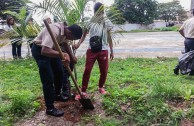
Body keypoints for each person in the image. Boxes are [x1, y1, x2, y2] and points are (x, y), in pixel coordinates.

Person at [32, 22, 82, 117]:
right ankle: (50, 108)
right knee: (48, 79)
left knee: (59, 72)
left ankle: (57, 95)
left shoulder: (66, 32)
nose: (71, 40)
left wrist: (71, 56)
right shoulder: (54, 30)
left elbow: (65, 44)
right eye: (72, 38)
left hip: (53, 49)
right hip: (40, 51)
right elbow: (44, 50)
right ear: (69, 32)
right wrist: (63, 54)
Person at [73, 2, 114, 99]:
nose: (99, 14)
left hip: (103, 50)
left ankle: (100, 87)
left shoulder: (107, 22)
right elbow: (84, 35)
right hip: (91, 50)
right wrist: (78, 44)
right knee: (87, 70)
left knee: (104, 71)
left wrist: (112, 50)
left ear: (103, 11)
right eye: (97, 12)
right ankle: (83, 91)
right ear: (94, 12)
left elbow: (109, 37)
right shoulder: (90, 21)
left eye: (101, 12)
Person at [174, 9, 194, 75]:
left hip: (187, 40)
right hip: (193, 41)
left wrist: (185, 36)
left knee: (185, 55)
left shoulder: (187, 21)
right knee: (191, 57)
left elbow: (180, 30)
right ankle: (191, 72)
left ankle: (177, 67)